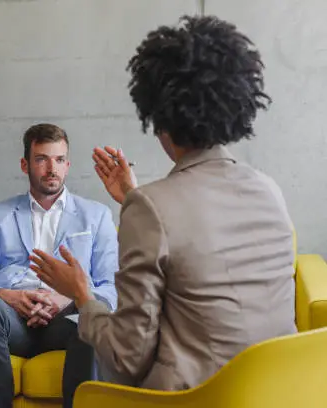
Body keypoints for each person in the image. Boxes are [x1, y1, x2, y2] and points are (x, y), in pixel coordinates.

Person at [30, 15, 297, 391]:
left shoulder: (152, 207)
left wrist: (82, 294)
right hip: (279, 392)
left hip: (196, 398)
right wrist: (134, 199)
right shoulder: (268, 189)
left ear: (159, 117)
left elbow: (126, 360)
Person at [0, 123, 118, 408]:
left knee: (96, 318)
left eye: (58, 160)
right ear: (25, 164)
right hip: (12, 320)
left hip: (69, 319)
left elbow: (112, 288)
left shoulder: (96, 215)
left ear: (68, 165)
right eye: (42, 159)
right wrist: (11, 297)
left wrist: (70, 297)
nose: (51, 168)